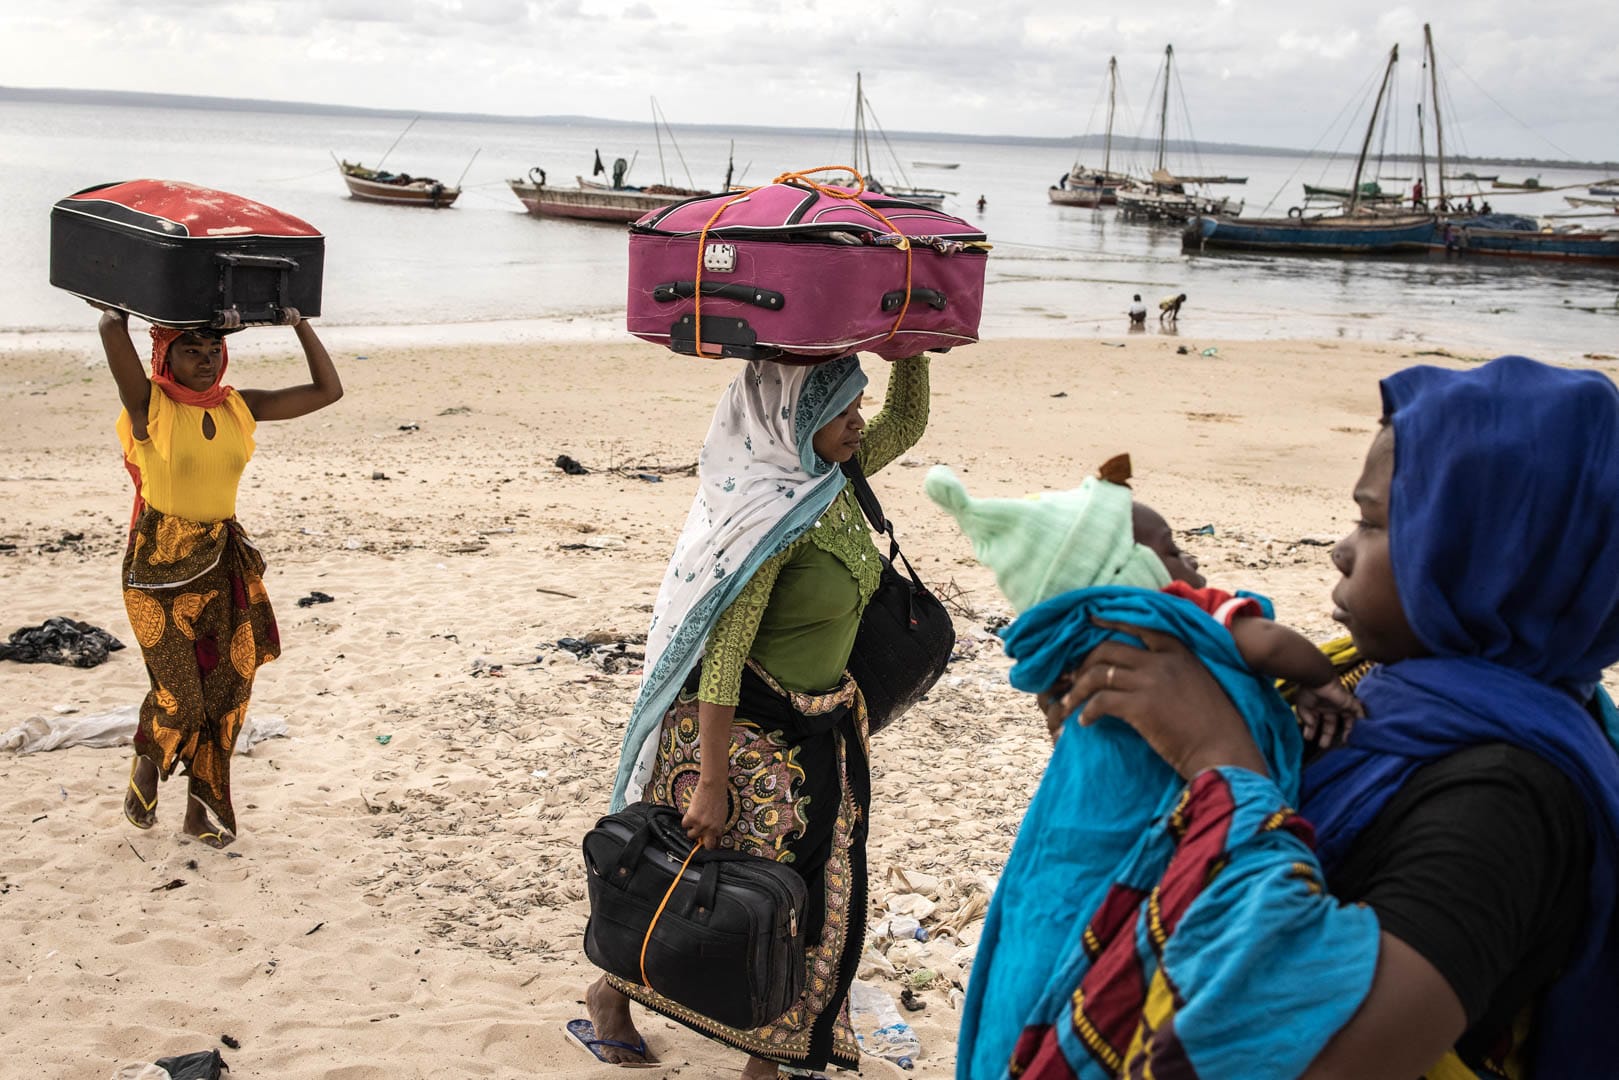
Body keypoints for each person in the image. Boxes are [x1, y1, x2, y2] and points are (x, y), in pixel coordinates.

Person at [1027, 356, 1619, 1077]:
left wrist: (1217, 757)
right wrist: (1109, 729)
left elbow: (1316, 1057)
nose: (1340, 550)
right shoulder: (1369, 682)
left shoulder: (1503, 802)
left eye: (1371, 522)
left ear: (1492, 557)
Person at [578, 354, 931, 1077]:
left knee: (800, 900)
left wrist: (912, 348)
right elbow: (726, 650)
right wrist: (709, 779)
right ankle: (609, 996)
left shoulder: (834, 478)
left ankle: (763, 1061)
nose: (857, 424)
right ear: (790, 423)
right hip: (737, 734)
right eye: (839, 411)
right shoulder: (768, 516)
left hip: (818, 728)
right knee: (692, 884)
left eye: (855, 406)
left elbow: (905, 420)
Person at [103, 305, 343, 848]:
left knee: (228, 693)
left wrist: (299, 324)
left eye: (214, 350)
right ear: (166, 356)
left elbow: (327, 392)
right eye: (192, 350)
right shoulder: (149, 407)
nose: (207, 360)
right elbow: (112, 337)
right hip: (157, 563)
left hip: (222, 557)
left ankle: (202, 810)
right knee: (179, 697)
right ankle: (149, 761)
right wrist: (112, 314)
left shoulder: (239, 406)